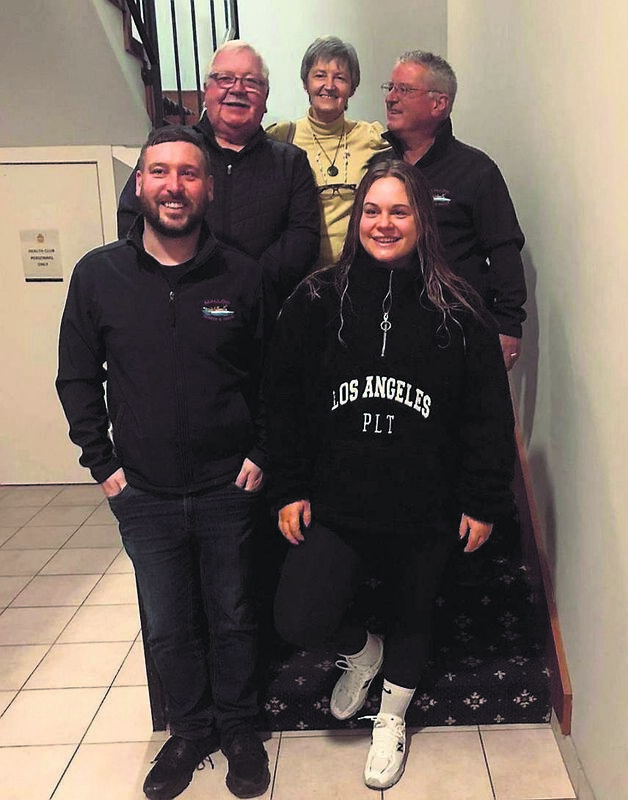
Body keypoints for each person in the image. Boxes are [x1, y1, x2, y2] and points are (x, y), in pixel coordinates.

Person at [265, 159, 516, 789]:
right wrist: (290, 484)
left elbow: (489, 414)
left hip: (427, 502)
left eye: (399, 211)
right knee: (299, 615)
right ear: (356, 221)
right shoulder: (316, 298)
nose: (384, 223)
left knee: (413, 610)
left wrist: (483, 499)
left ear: (422, 220)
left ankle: (392, 717)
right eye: (372, 211)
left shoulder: (461, 308)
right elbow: (283, 400)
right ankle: (362, 651)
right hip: (339, 499)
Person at [56, 126, 270, 800]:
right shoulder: (99, 275)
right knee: (169, 621)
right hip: (143, 492)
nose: (173, 186)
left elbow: (275, 378)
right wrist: (103, 464)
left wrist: (262, 453)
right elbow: (76, 378)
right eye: (159, 173)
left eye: (187, 173)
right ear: (140, 185)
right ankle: (189, 731)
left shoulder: (243, 275)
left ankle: (238, 728)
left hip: (227, 487)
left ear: (206, 188)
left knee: (233, 613)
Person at [118, 40, 320, 308]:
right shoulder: (168, 147)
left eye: (251, 82)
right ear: (206, 91)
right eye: (225, 78)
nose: (237, 89)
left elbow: (303, 238)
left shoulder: (291, 162)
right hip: (175, 306)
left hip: (262, 313)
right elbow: (132, 217)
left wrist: (249, 283)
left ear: (266, 98)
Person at [379, 50, 527, 370]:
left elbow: (504, 250)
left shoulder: (476, 171)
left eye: (404, 89)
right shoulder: (378, 167)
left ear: (439, 104)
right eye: (390, 88)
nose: (391, 98)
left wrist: (508, 325)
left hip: (457, 334)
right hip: (387, 331)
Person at [267, 35, 390, 267]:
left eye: (340, 78)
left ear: (352, 88)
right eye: (320, 75)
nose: (329, 86)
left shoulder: (371, 137)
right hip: (299, 275)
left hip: (357, 271)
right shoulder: (282, 137)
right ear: (305, 83)